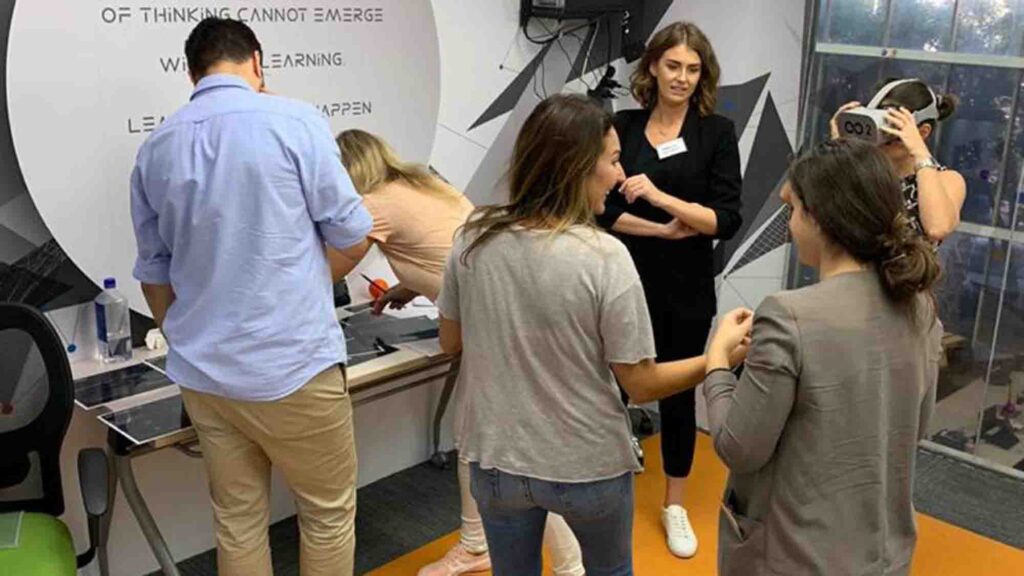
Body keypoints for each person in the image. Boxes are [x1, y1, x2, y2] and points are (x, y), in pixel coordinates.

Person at [436, 93, 745, 576]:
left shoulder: (472, 237)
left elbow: (451, 343)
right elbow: (641, 384)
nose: (621, 176)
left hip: (495, 461)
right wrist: (718, 358)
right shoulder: (604, 257)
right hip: (586, 466)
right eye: (614, 160)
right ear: (578, 165)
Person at [129, 18, 372, 576]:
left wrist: (184, 340)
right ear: (257, 63)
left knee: (236, 519)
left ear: (191, 74)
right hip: (294, 365)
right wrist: (309, 283)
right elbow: (355, 235)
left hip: (206, 375)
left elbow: (154, 274)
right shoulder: (296, 121)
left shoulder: (156, 147)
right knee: (328, 514)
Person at [331, 129, 586, 576]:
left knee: (513, 457)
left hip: (494, 325)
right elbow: (452, 248)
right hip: (510, 310)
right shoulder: (422, 183)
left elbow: (326, 270)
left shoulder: (372, 206)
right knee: (473, 441)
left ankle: (570, 567)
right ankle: (475, 544)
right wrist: (408, 285)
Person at [704, 139, 943, 576]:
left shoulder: (788, 315)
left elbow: (739, 449)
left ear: (820, 218)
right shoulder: (920, 306)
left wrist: (718, 363)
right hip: (883, 555)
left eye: (793, 210)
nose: (790, 224)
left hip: (791, 556)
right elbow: (914, 425)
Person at [593, 21, 743, 558]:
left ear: (703, 75)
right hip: (618, 278)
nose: (681, 77)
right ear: (653, 66)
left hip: (685, 285)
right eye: (673, 65)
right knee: (606, 386)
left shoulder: (716, 132)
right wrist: (657, 228)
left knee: (678, 391)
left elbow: (725, 220)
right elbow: (602, 210)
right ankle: (603, 484)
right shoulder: (623, 126)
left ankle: (674, 502)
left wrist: (661, 198)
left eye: (693, 69)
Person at [830, 78, 966, 242]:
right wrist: (837, 149)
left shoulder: (947, 180)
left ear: (923, 132)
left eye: (893, 129)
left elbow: (937, 228)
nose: (882, 137)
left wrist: (919, 152)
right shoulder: (859, 171)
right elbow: (796, 210)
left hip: (905, 268)